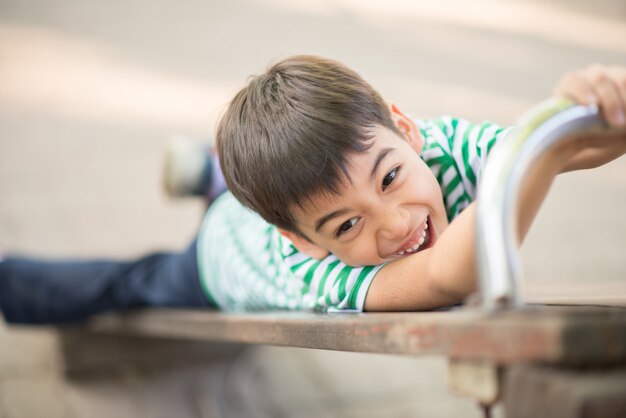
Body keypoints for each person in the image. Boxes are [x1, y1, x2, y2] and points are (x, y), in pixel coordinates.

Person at [0, 56, 624, 324]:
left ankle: (214, 173)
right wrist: (538, 150)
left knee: (304, 184)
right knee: (130, 284)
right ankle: (12, 280)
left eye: (390, 177)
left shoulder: (432, 143)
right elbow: (445, 277)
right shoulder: (318, 274)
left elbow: (574, 144)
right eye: (346, 227)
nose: (395, 224)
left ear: (405, 128)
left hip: (283, 210)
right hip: (220, 259)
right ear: (306, 242)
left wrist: (591, 105)